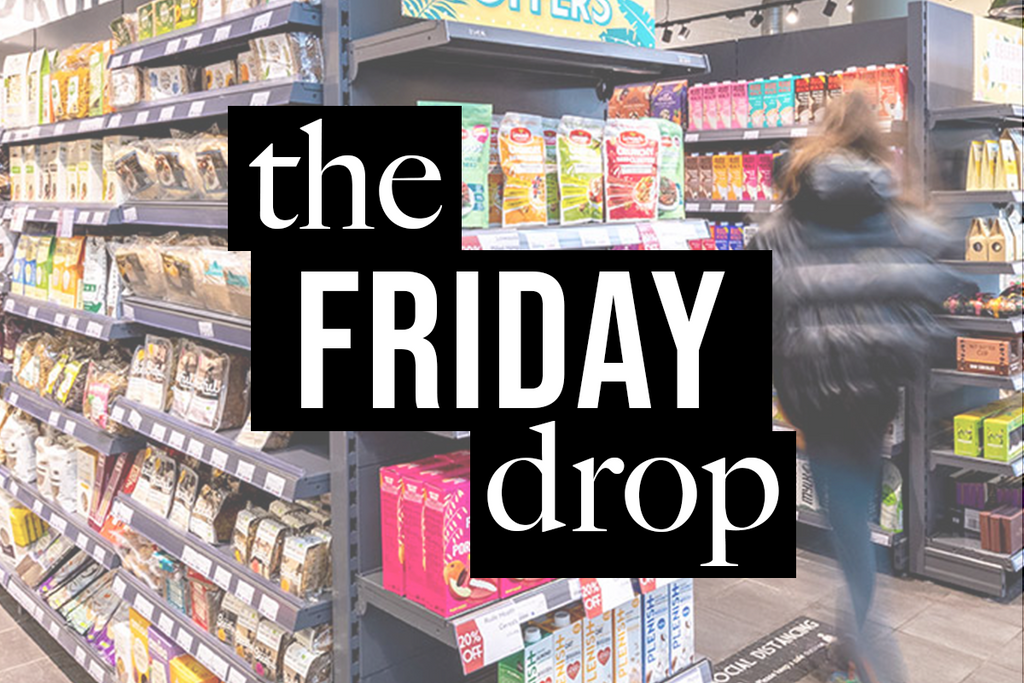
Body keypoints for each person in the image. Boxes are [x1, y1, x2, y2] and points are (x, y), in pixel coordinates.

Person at [749, 91, 976, 683]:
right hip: (875, 390)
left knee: (848, 524)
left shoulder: (783, 224)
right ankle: (852, 643)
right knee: (853, 515)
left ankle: (876, 656)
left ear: (818, 143)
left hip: (813, 392)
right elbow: (935, 280)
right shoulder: (895, 215)